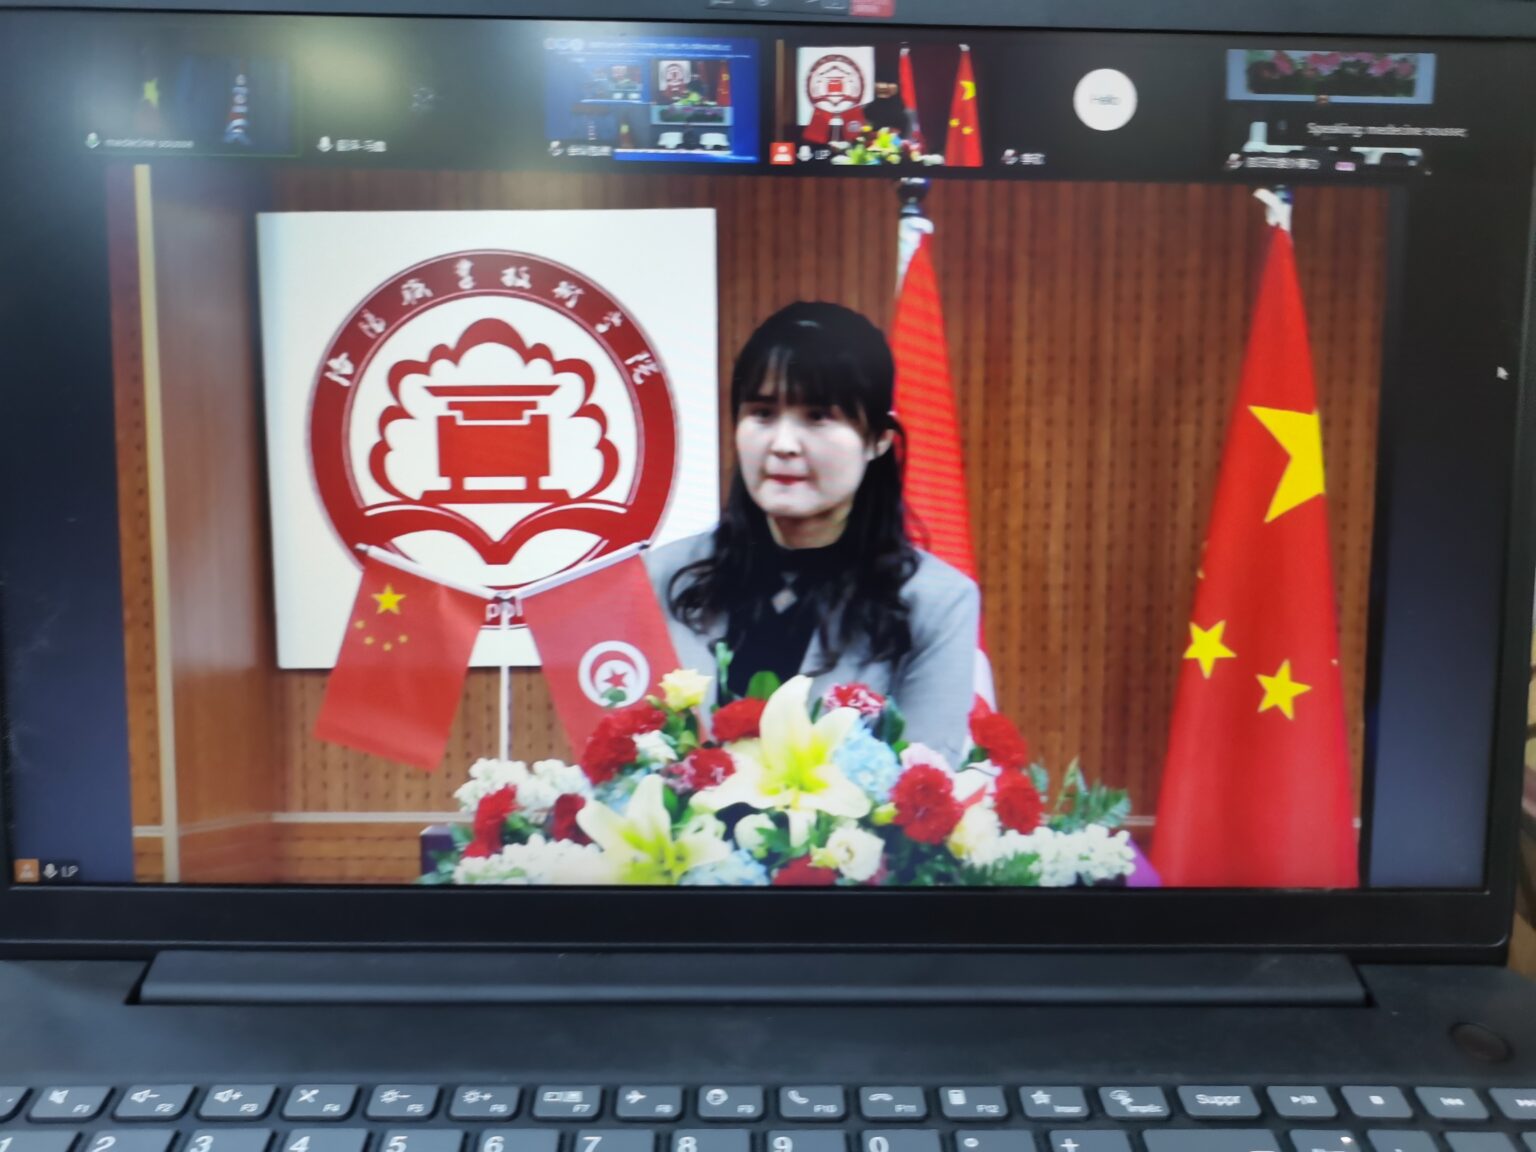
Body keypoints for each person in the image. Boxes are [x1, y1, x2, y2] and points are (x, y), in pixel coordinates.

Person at [645, 301, 980, 767]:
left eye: (817, 416)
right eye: (762, 413)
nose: (782, 444)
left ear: (877, 439)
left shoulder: (936, 602)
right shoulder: (659, 577)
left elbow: (927, 786)